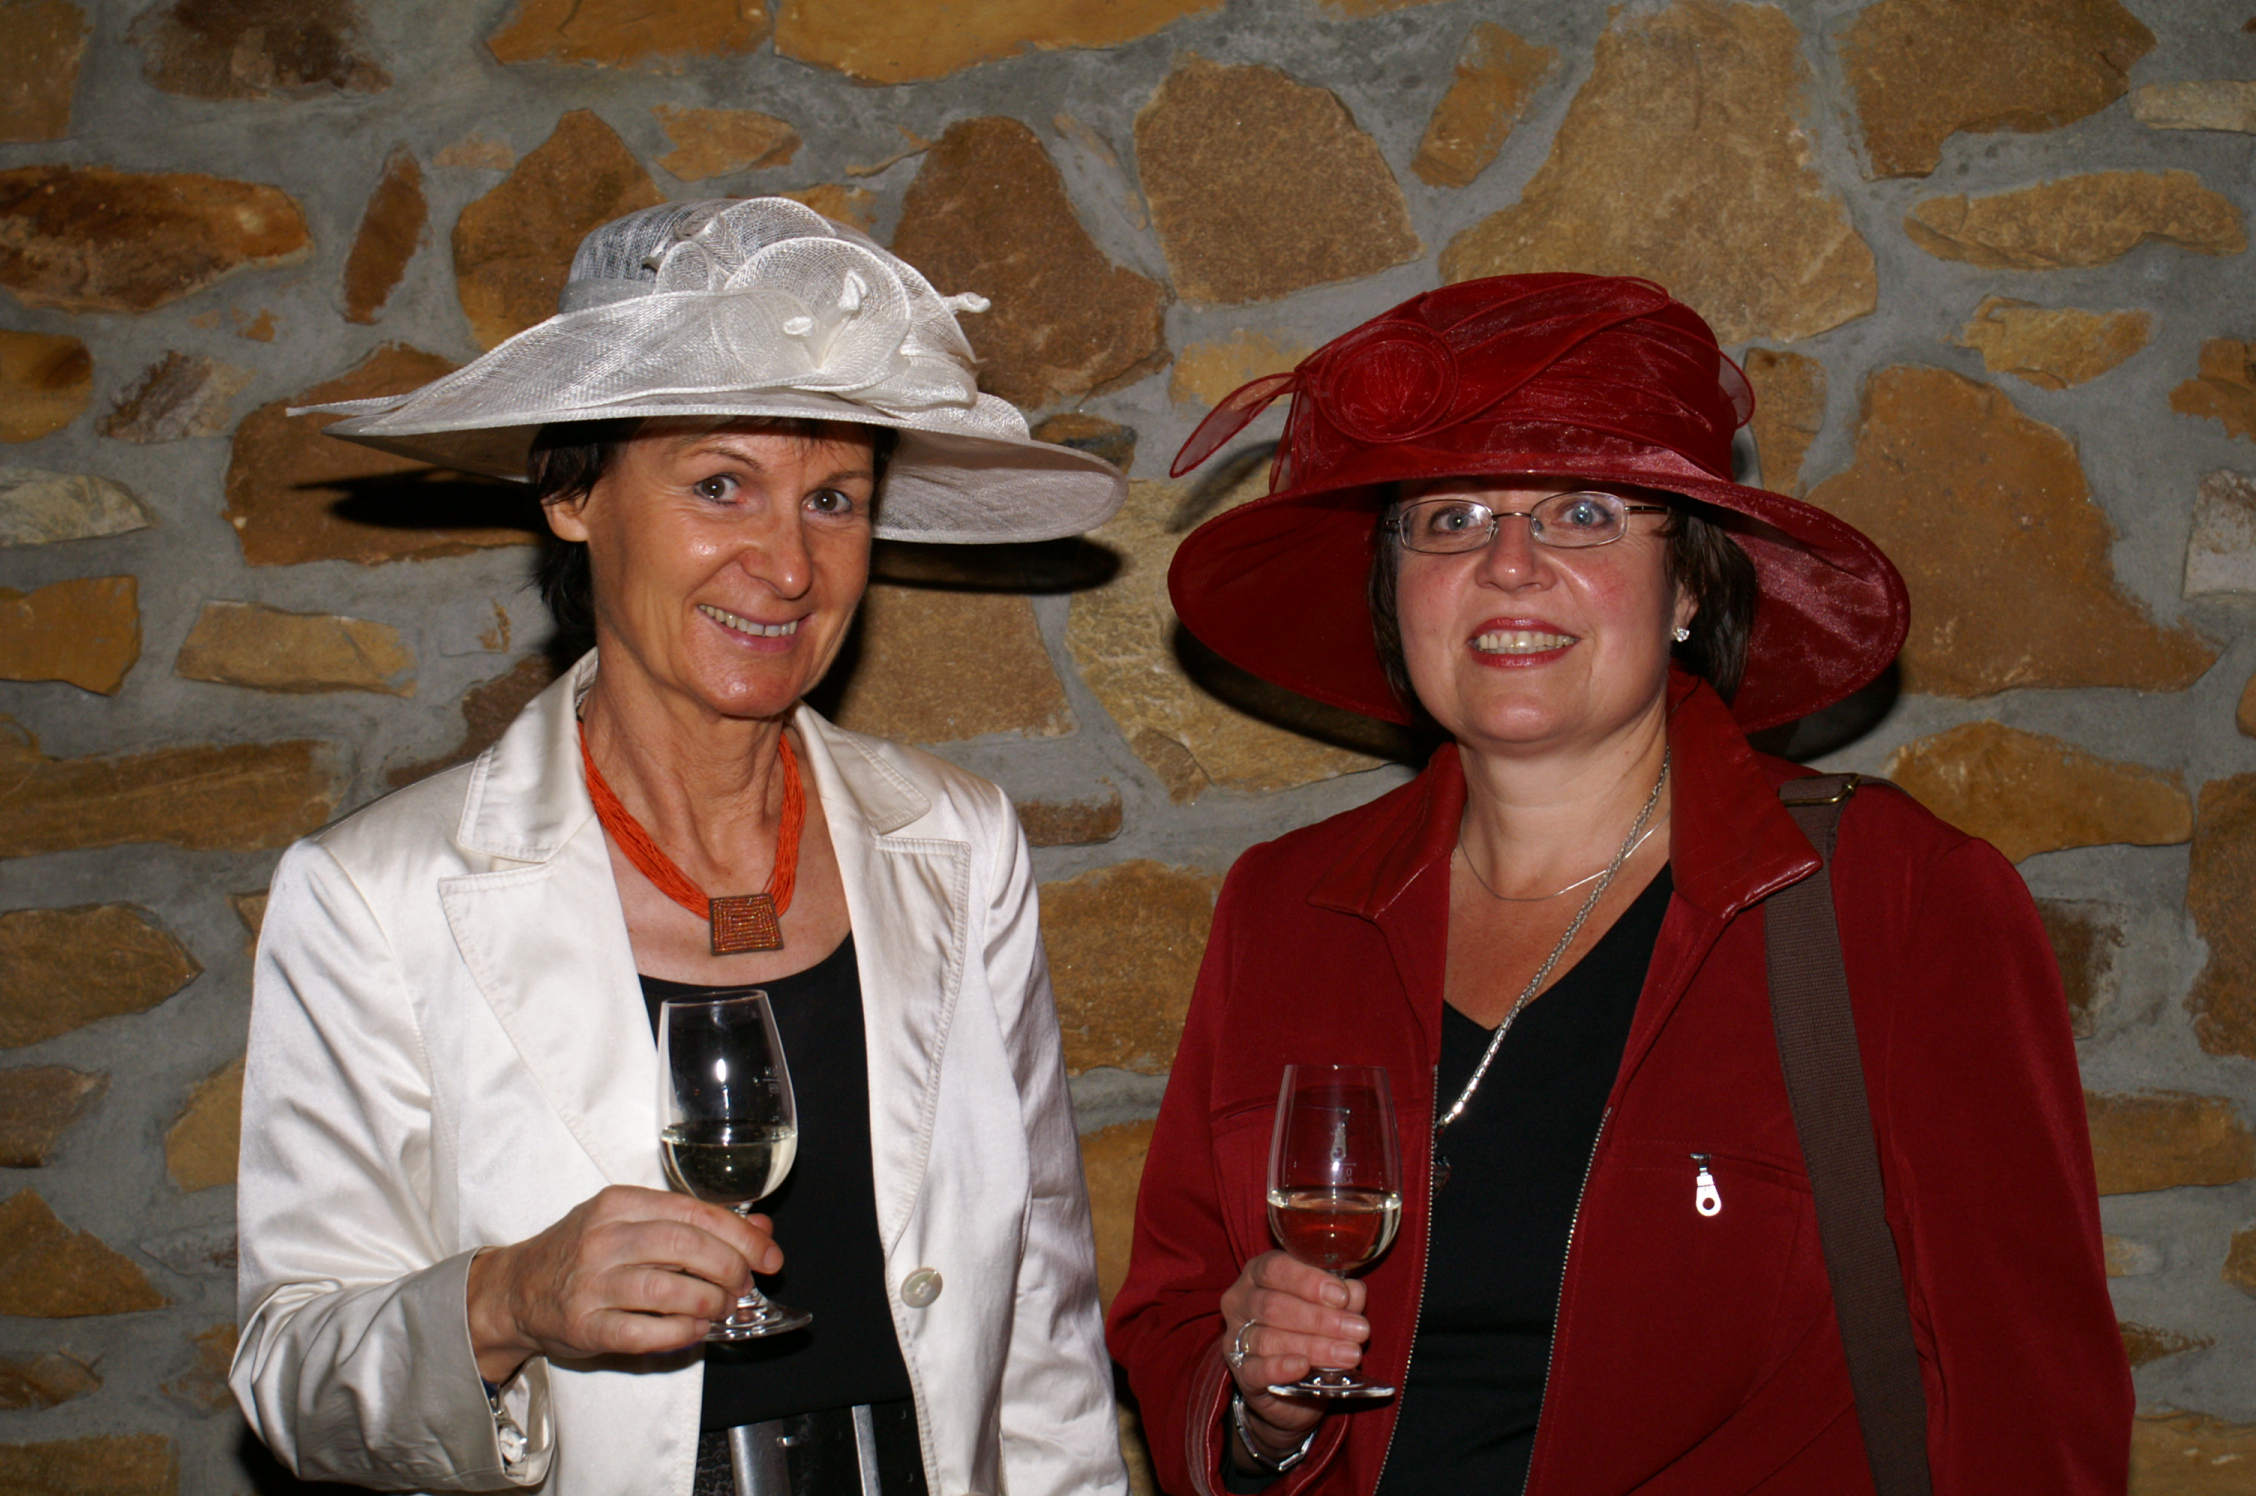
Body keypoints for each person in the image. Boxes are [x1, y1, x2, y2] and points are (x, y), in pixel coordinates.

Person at [1106, 274, 2130, 1494]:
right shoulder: (1282, 908)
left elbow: (2029, 1403)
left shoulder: (1896, 900)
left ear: (1689, 582)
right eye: (1450, 517)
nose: (1509, 565)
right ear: (1394, 583)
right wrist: (1258, 1407)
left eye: (1584, 513)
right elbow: (1177, 1315)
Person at [231, 198, 1131, 1496]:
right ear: (571, 494)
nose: (789, 565)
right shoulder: (379, 894)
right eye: (720, 485)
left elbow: (1041, 1320)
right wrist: (506, 1298)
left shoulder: (957, 842)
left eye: (834, 498)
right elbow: (295, 1375)